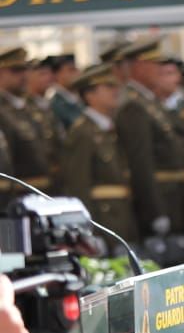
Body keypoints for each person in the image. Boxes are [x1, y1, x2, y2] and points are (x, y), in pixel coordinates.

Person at [115, 42, 184, 234]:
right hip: (161, 199)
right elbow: (141, 163)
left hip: (175, 199)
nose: (160, 70)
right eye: (155, 64)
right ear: (139, 67)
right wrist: (154, 211)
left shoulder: (149, 101)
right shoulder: (134, 105)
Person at [59, 63, 140, 244]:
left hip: (121, 219)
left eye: (116, 86)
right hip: (103, 221)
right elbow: (78, 186)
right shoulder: (82, 132)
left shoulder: (108, 128)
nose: (116, 91)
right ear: (89, 95)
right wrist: (87, 231)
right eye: (108, 87)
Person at [0, 47, 55, 194]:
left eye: (25, 70)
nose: (24, 75)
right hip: (17, 194)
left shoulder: (31, 108)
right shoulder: (2, 112)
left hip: (43, 192)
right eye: (16, 70)